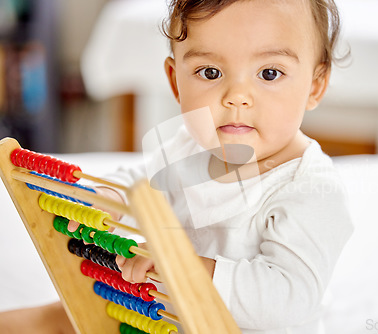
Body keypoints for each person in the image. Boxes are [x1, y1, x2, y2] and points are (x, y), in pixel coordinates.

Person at [0, 0, 353, 333]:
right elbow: (142, 186)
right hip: (163, 315)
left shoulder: (308, 189)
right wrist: (104, 195)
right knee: (61, 315)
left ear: (315, 85)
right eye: (210, 72)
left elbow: (289, 298)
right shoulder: (191, 144)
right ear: (175, 82)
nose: (236, 95)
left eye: (270, 73)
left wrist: (181, 269)